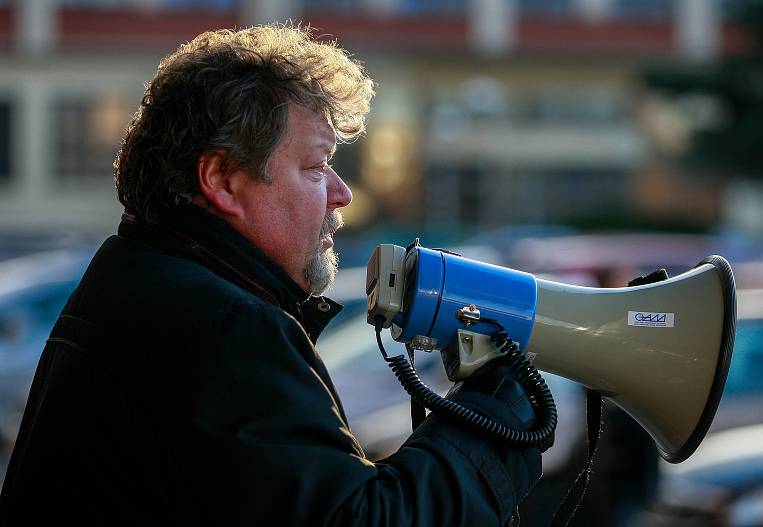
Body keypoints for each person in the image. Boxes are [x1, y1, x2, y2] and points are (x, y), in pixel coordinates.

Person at [0, 25, 545, 526]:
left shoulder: (143, 280)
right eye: (314, 166)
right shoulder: (224, 327)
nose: (342, 193)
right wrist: (494, 415)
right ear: (222, 179)